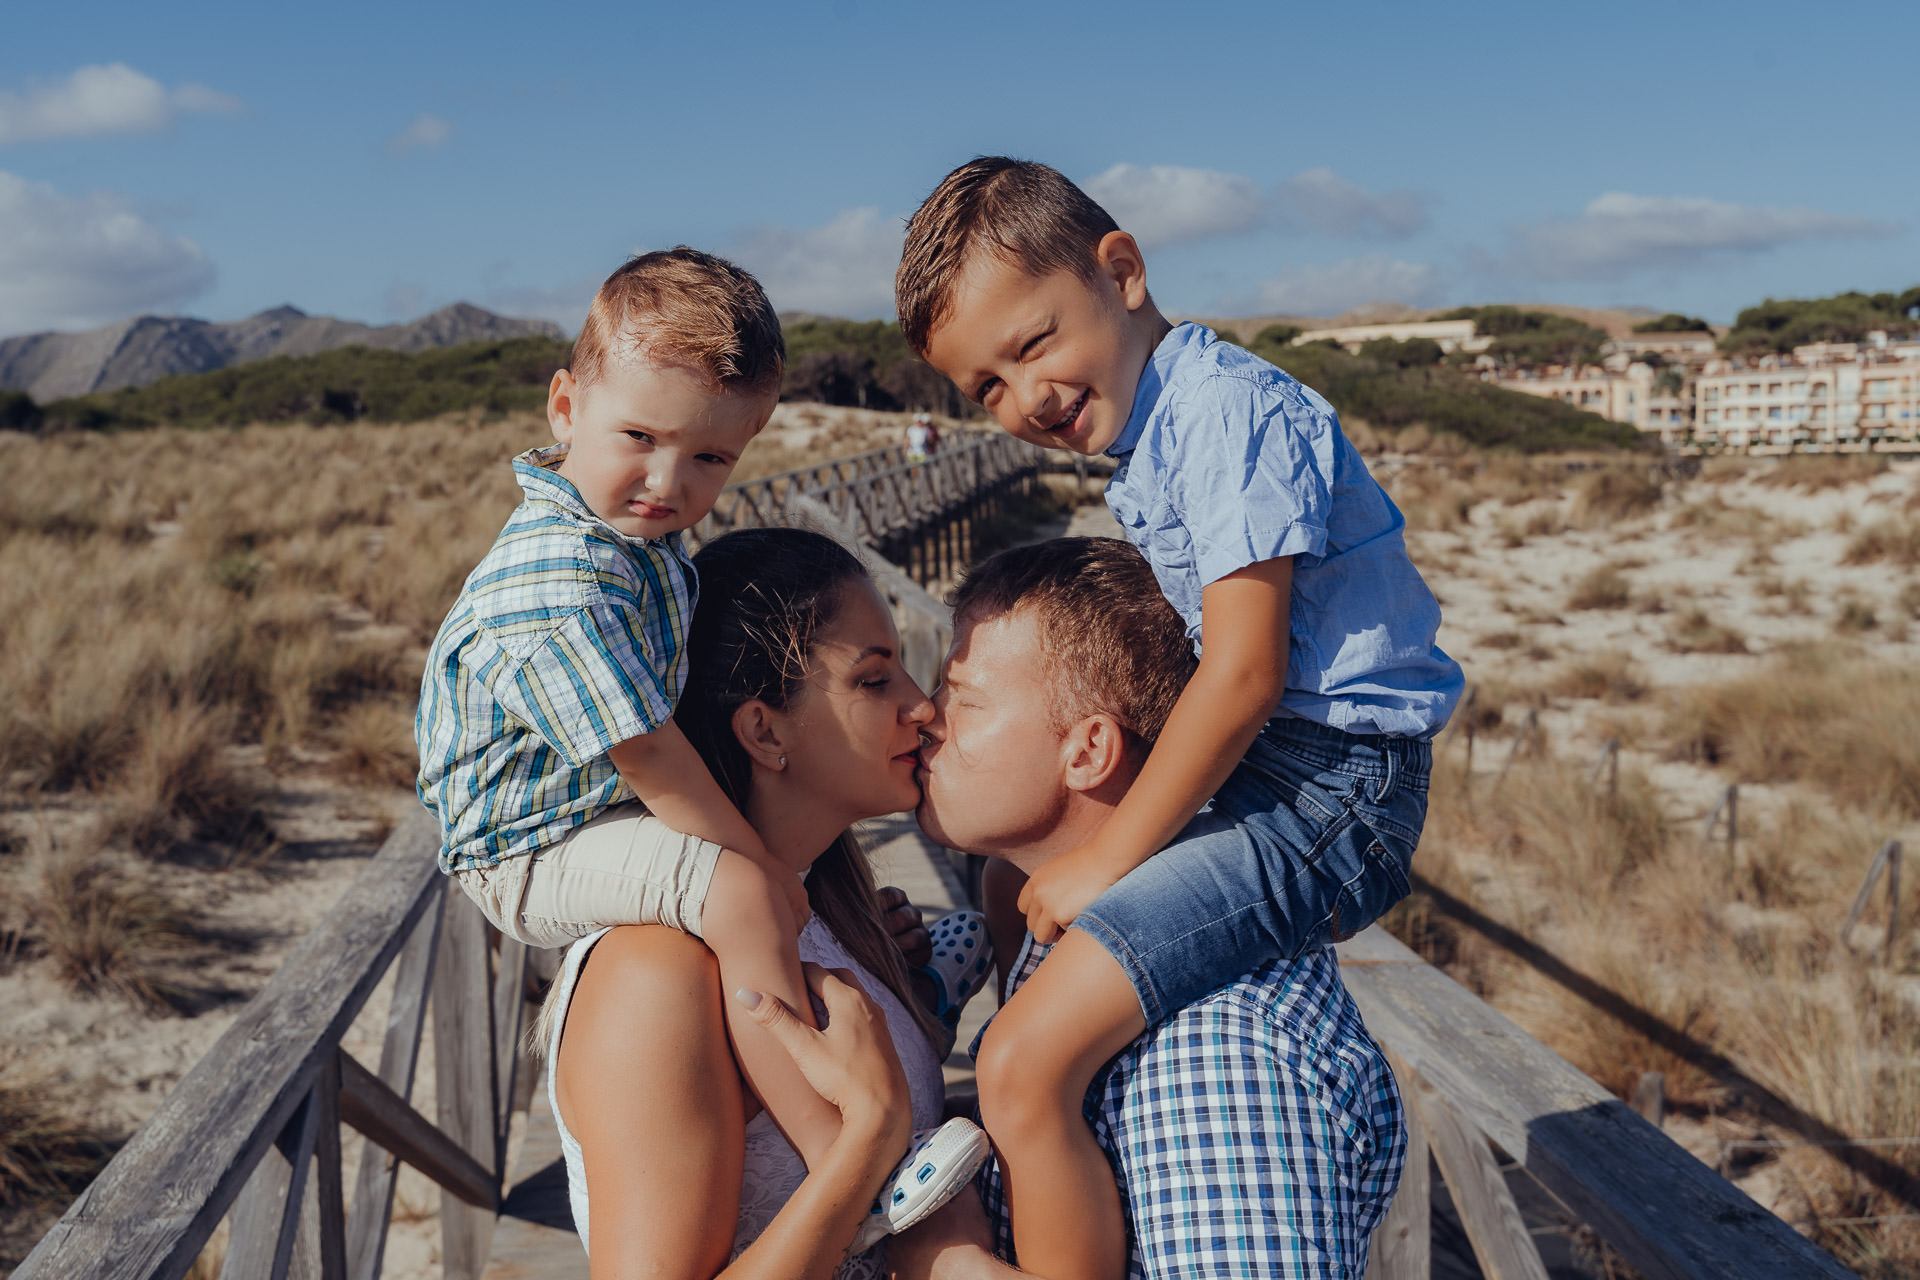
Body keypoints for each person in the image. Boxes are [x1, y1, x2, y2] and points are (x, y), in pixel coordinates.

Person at [896, 159, 1462, 1280]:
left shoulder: (1225, 411)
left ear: (1123, 269)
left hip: (1329, 792)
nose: (1025, 394)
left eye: (1034, 342)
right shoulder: (1153, 431)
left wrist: (1113, 851)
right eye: (986, 387)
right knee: (1018, 890)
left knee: (1019, 1060)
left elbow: (1245, 674)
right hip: (1293, 778)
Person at [416, 250, 984, 1246]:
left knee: (749, 894)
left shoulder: (630, 541)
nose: (670, 480)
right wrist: (760, 872)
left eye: (712, 459)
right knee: (731, 891)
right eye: (639, 436)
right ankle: (855, 1153)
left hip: (578, 809)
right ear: (564, 407)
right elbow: (655, 761)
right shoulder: (560, 580)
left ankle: (873, 1078)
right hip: (523, 841)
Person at [900, 537, 1407, 1279]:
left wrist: (943, 1262)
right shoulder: (1040, 912)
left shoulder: (1220, 1061)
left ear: (1087, 752)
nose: (924, 716)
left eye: (963, 698)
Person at [543, 525, 992, 1277]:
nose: (922, 708)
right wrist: (867, 1139)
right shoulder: (658, 973)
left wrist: (904, 998)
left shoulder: (825, 910)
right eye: (875, 680)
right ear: (763, 730)